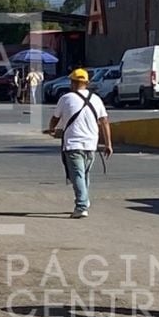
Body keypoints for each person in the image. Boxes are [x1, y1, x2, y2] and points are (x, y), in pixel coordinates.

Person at [46, 68, 112, 219]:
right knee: (84, 174)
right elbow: (104, 122)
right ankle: (85, 200)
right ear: (86, 83)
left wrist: (51, 129)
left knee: (77, 176)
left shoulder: (66, 98)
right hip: (91, 144)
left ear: (72, 83)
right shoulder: (96, 99)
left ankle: (81, 206)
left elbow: (55, 118)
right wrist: (108, 144)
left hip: (73, 144)